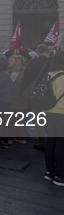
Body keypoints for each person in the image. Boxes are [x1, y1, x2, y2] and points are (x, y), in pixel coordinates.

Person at [20, 44, 51, 151]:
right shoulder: (54, 62)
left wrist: (23, 94)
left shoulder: (33, 62)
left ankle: (43, 142)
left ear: (38, 52)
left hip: (36, 95)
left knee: (39, 120)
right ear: (48, 51)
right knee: (51, 119)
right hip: (51, 95)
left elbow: (26, 79)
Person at [43, 51, 64, 186]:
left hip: (48, 112)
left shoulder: (48, 75)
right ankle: (60, 176)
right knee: (61, 144)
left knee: (51, 142)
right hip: (61, 113)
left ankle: (50, 172)